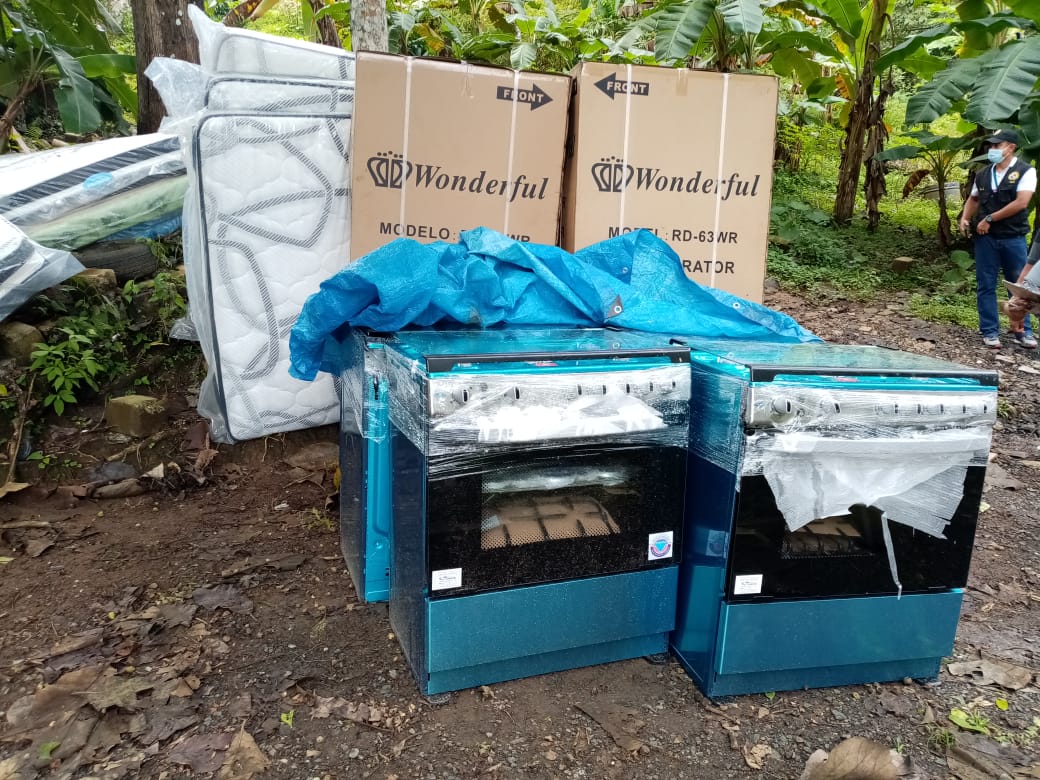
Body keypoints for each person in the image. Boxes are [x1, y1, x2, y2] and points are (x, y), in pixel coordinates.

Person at [959, 129, 1037, 349]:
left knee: (1020, 287)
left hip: (1013, 236)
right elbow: (974, 198)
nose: (992, 149)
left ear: (1011, 147)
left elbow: (1021, 202)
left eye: (997, 145)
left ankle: (1023, 331)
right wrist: (965, 217)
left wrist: (990, 218)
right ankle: (990, 331)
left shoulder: (1026, 171)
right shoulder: (983, 173)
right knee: (986, 284)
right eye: (991, 146)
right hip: (986, 239)